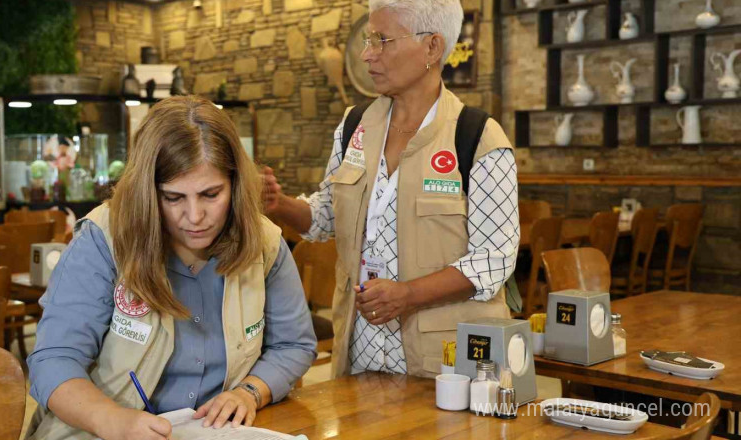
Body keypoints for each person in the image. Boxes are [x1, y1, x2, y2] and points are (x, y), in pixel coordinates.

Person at [26, 96, 317, 440]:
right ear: (147, 193)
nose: (194, 217)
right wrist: (114, 421)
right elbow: (53, 360)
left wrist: (250, 391)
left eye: (211, 194)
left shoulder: (265, 242)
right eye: (173, 197)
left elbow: (293, 345)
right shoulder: (102, 239)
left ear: (236, 185)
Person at [262, 0, 519, 379]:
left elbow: (494, 258)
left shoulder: (477, 137)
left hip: (447, 368)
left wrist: (408, 294)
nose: (367, 54)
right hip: (361, 355)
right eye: (369, 39)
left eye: (382, 40)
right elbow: (328, 215)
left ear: (432, 47)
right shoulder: (354, 128)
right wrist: (277, 203)